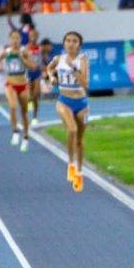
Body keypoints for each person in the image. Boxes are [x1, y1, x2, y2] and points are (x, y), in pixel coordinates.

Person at [46, 31, 90, 193]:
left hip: (82, 103)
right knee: (72, 129)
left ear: (79, 44)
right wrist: (52, 77)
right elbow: (49, 69)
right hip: (64, 101)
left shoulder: (83, 60)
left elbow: (85, 84)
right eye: (68, 41)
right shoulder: (59, 59)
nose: (71, 43)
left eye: (75, 41)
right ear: (64, 43)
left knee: (79, 139)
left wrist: (74, 70)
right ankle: (70, 164)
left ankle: (79, 172)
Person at [0, 30, 37, 152]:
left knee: (24, 113)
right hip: (11, 84)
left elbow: (32, 67)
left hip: (23, 84)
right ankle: (15, 131)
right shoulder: (7, 52)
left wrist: (23, 59)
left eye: (17, 38)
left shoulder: (25, 52)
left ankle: (25, 137)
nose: (15, 40)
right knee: (13, 106)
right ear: (10, 40)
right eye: (13, 38)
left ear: (20, 39)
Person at [25, 27, 43, 123]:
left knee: (36, 95)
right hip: (28, 73)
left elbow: (43, 61)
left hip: (37, 73)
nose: (33, 37)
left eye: (35, 36)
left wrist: (42, 67)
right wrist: (29, 65)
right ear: (29, 36)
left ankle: (35, 117)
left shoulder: (40, 48)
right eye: (32, 36)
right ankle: (27, 116)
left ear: (37, 37)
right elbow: (23, 60)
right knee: (28, 96)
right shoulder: (26, 48)